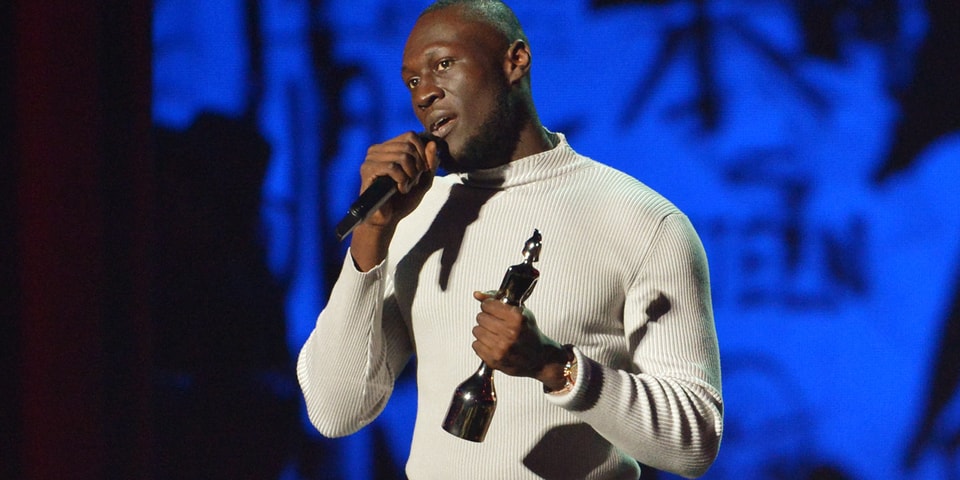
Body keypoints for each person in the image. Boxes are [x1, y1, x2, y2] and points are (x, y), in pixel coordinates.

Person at [297, 1, 723, 478]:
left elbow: (695, 441)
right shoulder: (414, 218)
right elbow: (336, 410)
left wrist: (555, 367)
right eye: (412, 81)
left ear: (515, 61)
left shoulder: (642, 220)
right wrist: (373, 233)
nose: (425, 94)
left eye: (443, 64)